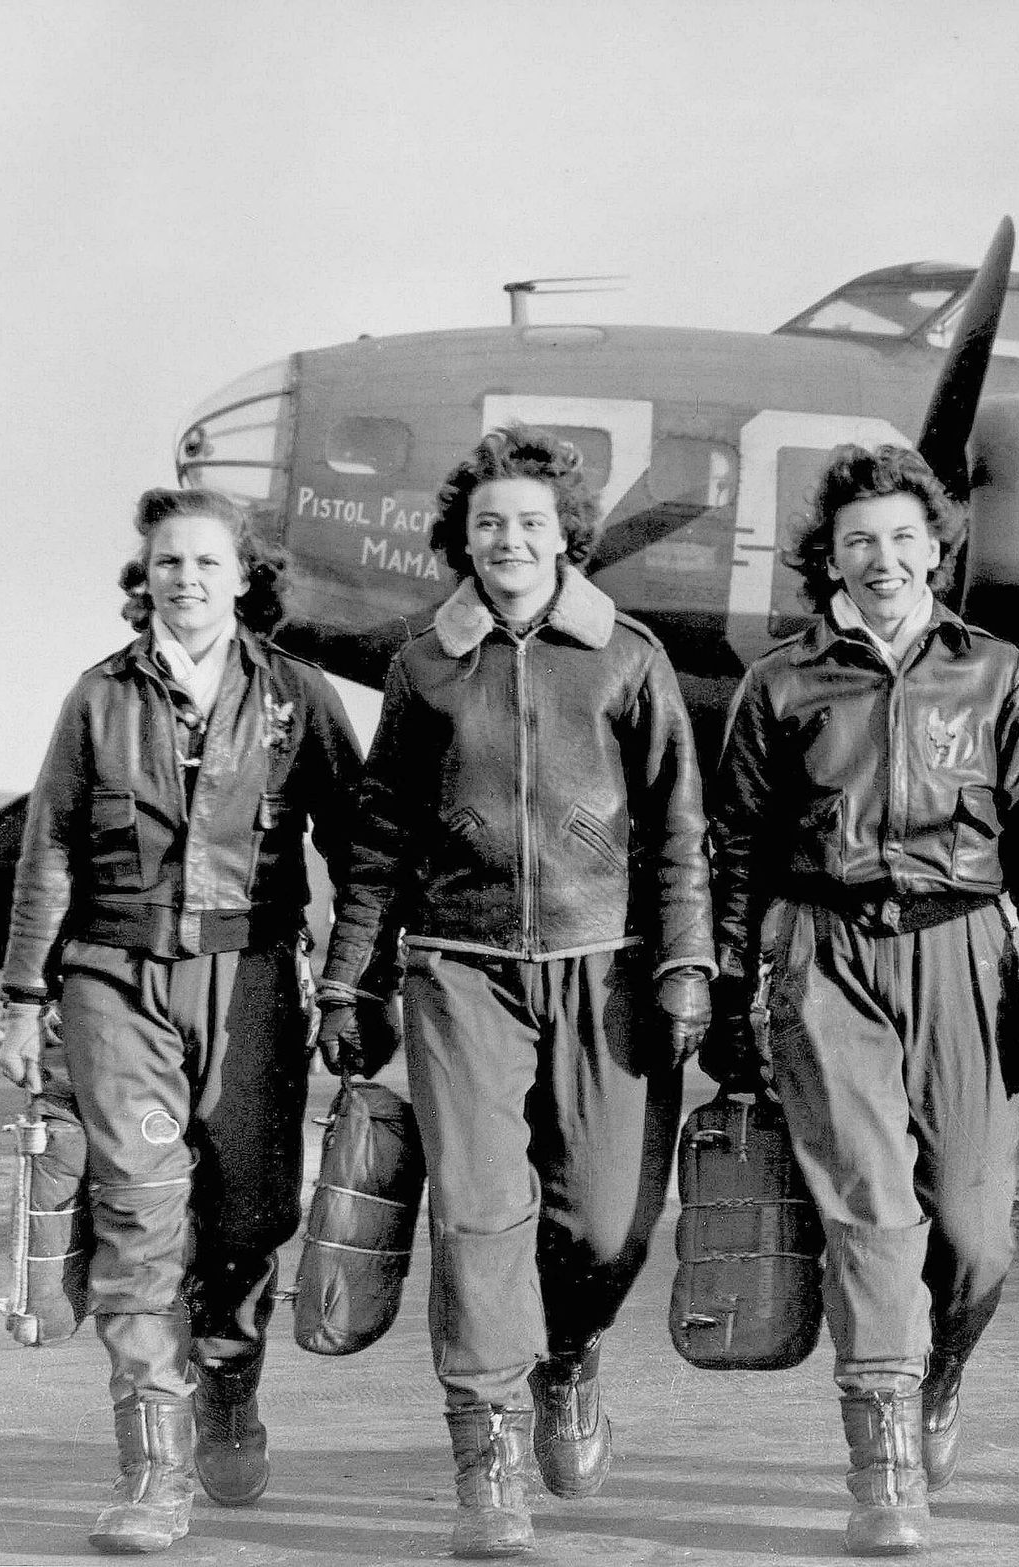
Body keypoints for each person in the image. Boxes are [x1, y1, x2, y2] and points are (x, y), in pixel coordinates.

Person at [314, 424, 714, 1559]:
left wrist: (686, 964)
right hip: (461, 968)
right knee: (480, 1214)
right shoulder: (421, 669)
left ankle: (570, 1353)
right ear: (464, 539)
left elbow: (679, 830)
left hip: (609, 966)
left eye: (530, 521)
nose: (509, 539)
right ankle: (485, 1463)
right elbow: (380, 838)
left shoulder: (629, 658)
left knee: (601, 1219)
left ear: (565, 535)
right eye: (488, 522)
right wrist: (348, 978)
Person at [708, 443, 1019, 1557]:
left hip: (965, 953)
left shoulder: (996, 674)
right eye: (857, 540)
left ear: (936, 546)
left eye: (902, 537)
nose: (881, 558)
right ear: (826, 555)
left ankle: (937, 1371)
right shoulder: (778, 685)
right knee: (870, 1219)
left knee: (973, 1237)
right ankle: (880, 1468)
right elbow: (734, 850)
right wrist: (735, 994)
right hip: (826, 959)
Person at [0, 486, 363, 1554]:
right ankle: (155, 1472)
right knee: (142, 1216)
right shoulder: (96, 697)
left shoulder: (298, 696)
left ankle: (232, 1381)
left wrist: (351, 985)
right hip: (113, 980)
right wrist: (24, 997)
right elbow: (49, 849)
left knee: (249, 1219)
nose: (187, 580)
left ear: (244, 575)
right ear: (144, 578)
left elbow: (356, 852)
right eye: (168, 564)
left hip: (251, 980)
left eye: (208, 563)